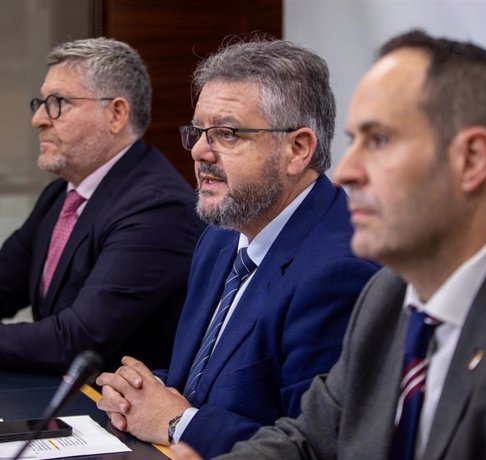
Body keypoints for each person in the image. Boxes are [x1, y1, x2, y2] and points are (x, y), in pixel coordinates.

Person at [171, 29, 486, 460]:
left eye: (378, 141)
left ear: (470, 160)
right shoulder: (389, 295)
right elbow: (310, 443)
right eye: (353, 141)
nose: (348, 171)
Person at [96, 38, 378, 458]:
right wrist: (137, 392)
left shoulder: (340, 271)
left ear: (297, 149)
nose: (198, 150)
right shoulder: (221, 236)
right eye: (198, 131)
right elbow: (197, 383)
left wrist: (178, 422)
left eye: (226, 134)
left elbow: (316, 448)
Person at [0, 37, 204, 375]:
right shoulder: (61, 195)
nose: (38, 119)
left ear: (116, 114)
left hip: (110, 414)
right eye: (41, 102)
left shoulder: (157, 208)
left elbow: (78, 339)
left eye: (58, 103)